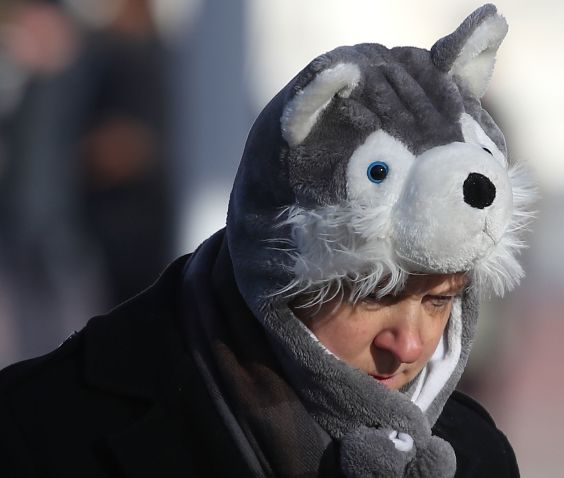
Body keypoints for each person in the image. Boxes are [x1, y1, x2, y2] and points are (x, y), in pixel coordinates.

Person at [0, 4, 534, 476]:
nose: (410, 346)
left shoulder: (473, 455)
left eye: (440, 299)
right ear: (281, 262)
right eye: (376, 291)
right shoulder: (45, 431)